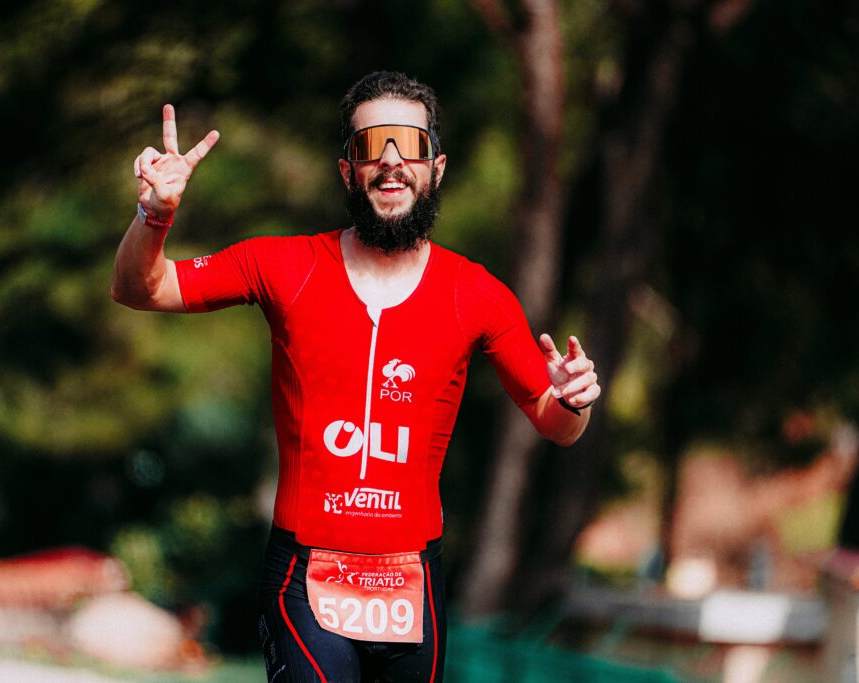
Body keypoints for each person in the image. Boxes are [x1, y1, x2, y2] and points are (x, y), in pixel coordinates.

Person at [111, 71, 601, 683]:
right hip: (304, 575)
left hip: (412, 584)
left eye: (410, 145)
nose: (392, 162)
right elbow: (140, 288)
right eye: (372, 145)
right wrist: (154, 214)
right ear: (347, 170)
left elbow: (555, 424)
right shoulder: (283, 266)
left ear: (437, 167)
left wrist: (575, 399)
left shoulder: (478, 295)